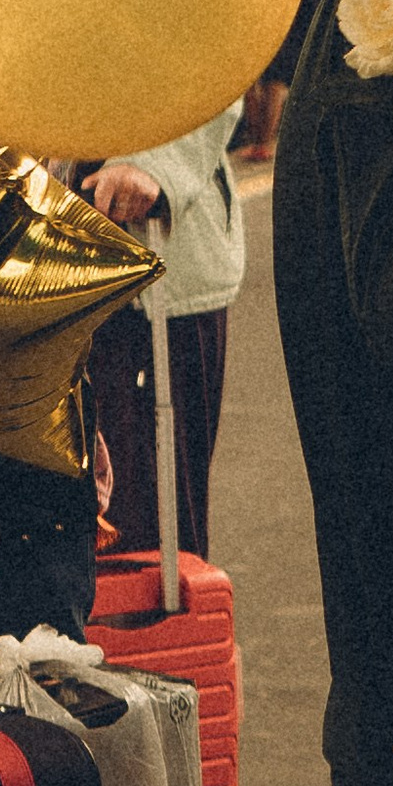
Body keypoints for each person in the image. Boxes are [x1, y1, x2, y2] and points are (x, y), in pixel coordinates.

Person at [81, 112, 245, 560]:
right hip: (22, 262)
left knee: (145, 530)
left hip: (149, 263)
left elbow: (218, 62)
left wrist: (156, 163)